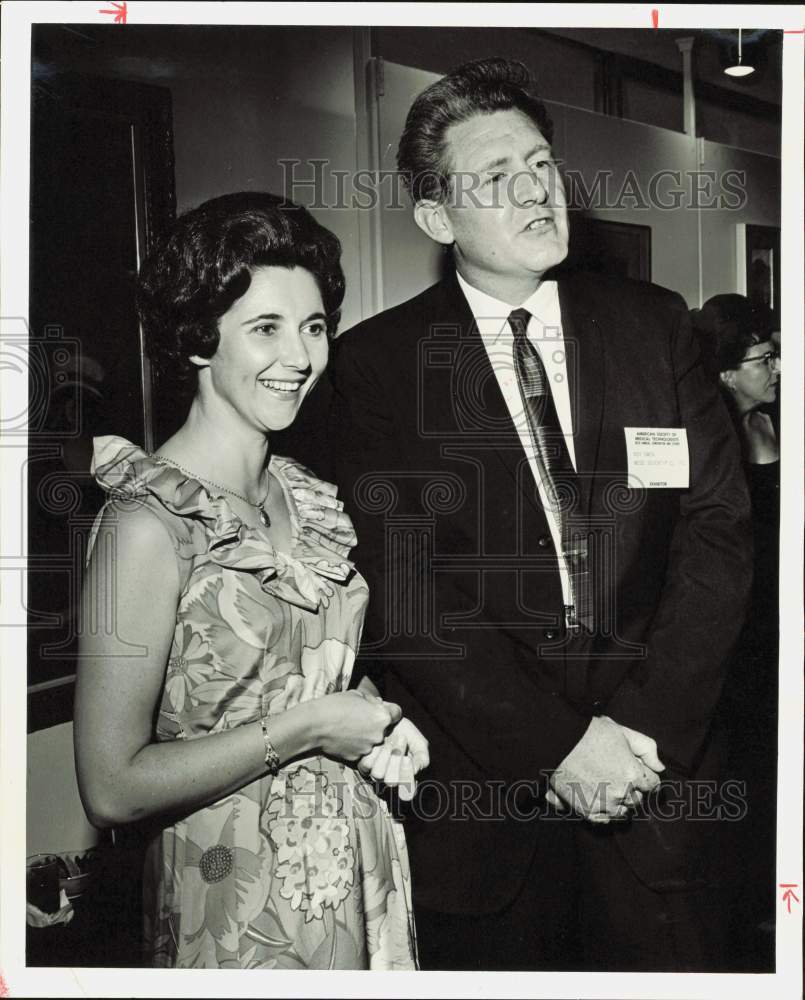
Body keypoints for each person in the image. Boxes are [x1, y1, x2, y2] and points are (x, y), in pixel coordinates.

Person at [329, 59, 753, 971]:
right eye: (494, 176)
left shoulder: (654, 325)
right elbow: (408, 593)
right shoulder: (376, 368)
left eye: (540, 163)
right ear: (436, 217)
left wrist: (640, 734)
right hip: (485, 817)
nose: (533, 190)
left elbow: (716, 535)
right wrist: (557, 748)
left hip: (661, 783)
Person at [73, 192, 429, 970]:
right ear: (199, 340)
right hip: (233, 900)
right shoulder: (145, 524)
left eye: (313, 327)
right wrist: (309, 729)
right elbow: (109, 785)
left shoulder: (303, 494)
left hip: (354, 869)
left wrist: (372, 722)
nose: (298, 358)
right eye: (264, 329)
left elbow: (297, 678)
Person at [692, 294, 781, 970]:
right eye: (762, 358)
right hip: (739, 633)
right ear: (725, 373)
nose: (775, 367)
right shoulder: (713, 443)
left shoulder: (775, 425)